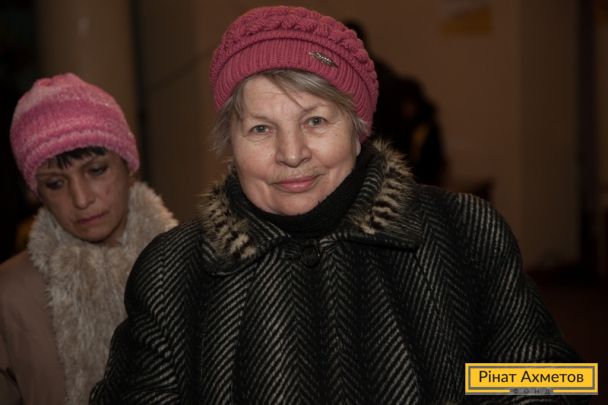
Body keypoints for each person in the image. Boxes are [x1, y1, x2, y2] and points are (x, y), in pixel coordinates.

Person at [91, 6, 586, 404]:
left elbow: (554, 378)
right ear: (231, 143)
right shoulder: (173, 272)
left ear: (357, 128)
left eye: (315, 121)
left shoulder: (465, 231)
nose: (291, 154)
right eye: (261, 128)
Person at [0, 73, 177, 405]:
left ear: (129, 165)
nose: (81, 199)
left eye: (96, 170)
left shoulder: (196, 264)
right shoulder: (8, 295)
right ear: (37, 192)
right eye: (55, 183)